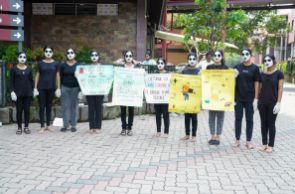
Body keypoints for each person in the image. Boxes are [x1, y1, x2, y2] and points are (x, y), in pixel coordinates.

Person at [234, 48, 261, 149]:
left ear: (250, 55)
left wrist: (256, 99)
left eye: (246, 54)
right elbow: (231, 82)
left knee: (249, 120)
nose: (244, 55)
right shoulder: (237, 67)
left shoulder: (255, 68)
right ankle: (237, 140)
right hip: (238, 98)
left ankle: (248, 141)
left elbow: (257, 83)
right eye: (243, 54)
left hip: (250, 98)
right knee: (238, 119)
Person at [258, 55, 284, 153]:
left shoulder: (279, 73)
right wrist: (257, 100)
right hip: (262, 102)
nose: (266, 62)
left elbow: (280, 88)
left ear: (273, 61)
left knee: (271, 123)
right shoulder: (262, 74)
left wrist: (278, 103)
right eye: (265, 60)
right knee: (263, 123)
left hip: (273, 102)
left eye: (269, 60)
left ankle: (271, 145)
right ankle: (264, 144)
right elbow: (259, 88)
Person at [34, 46, 60, 133]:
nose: (48, 53)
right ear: (44, 52)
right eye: (46, 51)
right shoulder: (40, 63)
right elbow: (37, 75)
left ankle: (48, 125)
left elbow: (57, 76)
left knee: (49, 107)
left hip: (51, 88)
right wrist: (35, 87)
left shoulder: (56, 63)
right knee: (42, 107)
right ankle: (42, 126)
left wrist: (58, 87)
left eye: (50, 51)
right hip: (41, 88)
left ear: (52, 52)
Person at [114, 50, 141, 136]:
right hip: (123, 92)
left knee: (131, 111)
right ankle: (123, 128)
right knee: (123, 111)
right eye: (127, 56)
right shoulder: (122, 67)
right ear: (124, 57)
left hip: (132, 93)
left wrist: (136, 62)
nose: (128, 58)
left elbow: (140, 75)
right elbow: (114, 63)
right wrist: (120, 60)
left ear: (132, 57)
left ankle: (129, 128)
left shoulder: (136, 67)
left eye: (130, 56)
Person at [207, 50, 229, 145]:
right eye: (215, 55)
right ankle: (212, 135)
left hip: (222, 96)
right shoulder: (209, 67)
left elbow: (229, 82)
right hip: (211, 95)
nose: (216, 57)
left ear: (222, 56)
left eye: (218, 55)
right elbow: (206, 80)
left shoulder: (226, 68)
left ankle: (218, 136)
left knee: (220, 117)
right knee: (211, 117)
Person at [10, 52, 34, 135]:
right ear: (18, 58)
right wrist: (12, 91)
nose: (22, 58)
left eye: (24, 57)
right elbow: (11, 81)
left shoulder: (29, 69)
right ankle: (19, 127)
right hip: (18, 94)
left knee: (27, 110)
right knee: (19, 111)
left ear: (26, 58)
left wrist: (33, 90)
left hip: (27, 93)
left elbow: (31, 81)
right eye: (21, 57)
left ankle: (26, 127)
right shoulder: (13, 69)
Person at [59, 48, 82, 132]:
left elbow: (82, 78)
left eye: (72, 52)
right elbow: (60, 77)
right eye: (68, 53)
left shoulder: (79, 65)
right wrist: (59, 88)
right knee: (65, 106)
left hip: (75, 88)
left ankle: (73, 125)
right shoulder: (63, 65)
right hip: (65, 87)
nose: (70, 54)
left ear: (75, 54)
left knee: (74, 106)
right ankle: (65, 125)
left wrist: (80, 90)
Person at [180, 52, 200, 142]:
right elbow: (181, 83)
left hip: (195, 97)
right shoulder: (184, 71)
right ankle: (187, 134)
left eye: (193, 59)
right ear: (188, 60)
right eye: (190, 59)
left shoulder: (199, 71)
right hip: (186, 96)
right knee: (187, 116)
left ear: (196, 60)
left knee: (194, 117)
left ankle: (194, 135)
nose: (192, 61)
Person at [86, 50, 104, 134]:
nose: (94, 56)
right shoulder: (87, 67)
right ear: (90, 57)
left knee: (98, 108)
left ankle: (98, 126)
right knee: (91, 108)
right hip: (90, 91)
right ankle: (91, 126)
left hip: (99, 91)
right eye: (92, 55)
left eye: (96, 55)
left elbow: (106, 77)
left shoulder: (102, 67)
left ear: (98, 56)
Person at [154, 58, 170, 138]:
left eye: (162, 63)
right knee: (157, 115)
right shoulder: (154, 74)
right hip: (156, 98)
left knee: (165, 115)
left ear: (164, 64)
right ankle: (158, 131)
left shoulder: (168, 74)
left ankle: (166, 132)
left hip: (165, 98)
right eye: (158, 63)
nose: (160, 65)